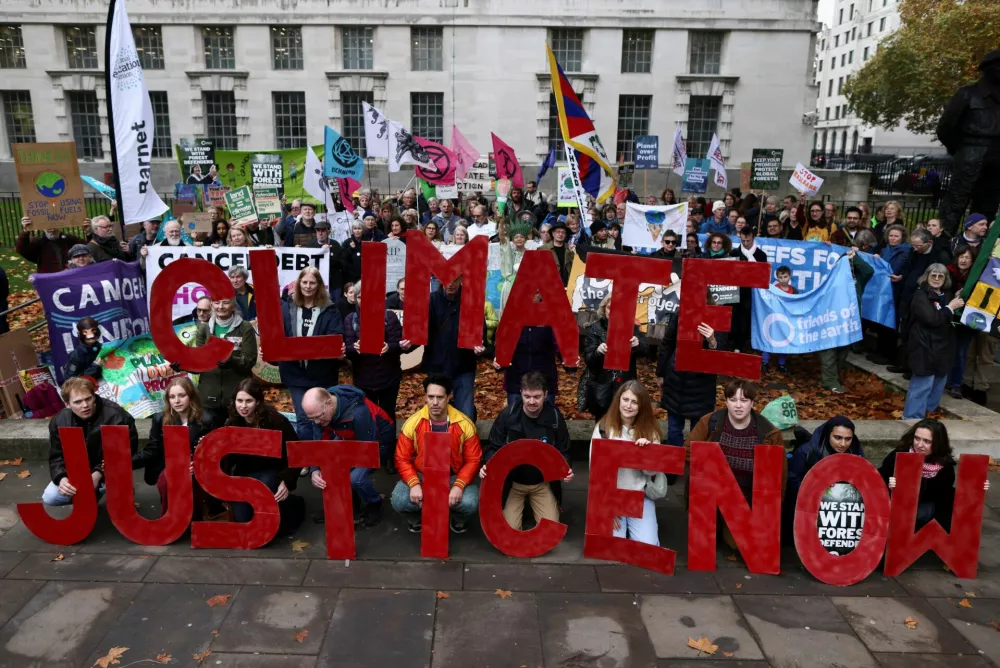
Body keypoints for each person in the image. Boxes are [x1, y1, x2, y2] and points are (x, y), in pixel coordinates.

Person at [684, 380, 785, 542]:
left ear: (752, 403)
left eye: (744, 401)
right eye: (733, 400)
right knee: (704, 539)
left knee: (741, 544)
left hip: (747, 499)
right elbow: (688, 451)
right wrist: (717, 468)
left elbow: (780, 475)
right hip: (713, 494)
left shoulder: (769, 433)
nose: (738, 406)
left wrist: (772, 511)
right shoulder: (710, 422)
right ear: (726, 402)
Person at [482, 372, 572, 531]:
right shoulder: (508, 416)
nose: (532, 401)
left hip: (541, 483)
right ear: (521, 394)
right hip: (514, 483)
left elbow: (563, 449)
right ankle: (519, 506)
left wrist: (566, 467)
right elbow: (494, 447)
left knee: (550, 529)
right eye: (527, 396)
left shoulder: (554, 418)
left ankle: (535, 505)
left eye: (537, 397)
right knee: (509, 530)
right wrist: (488, 464)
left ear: (545, 395)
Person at [392, 374, 482, 534]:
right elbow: (401, 458)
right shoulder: (413, 423)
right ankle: (417, 519)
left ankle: (457, 519)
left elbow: (473, 460)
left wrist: (459, 486)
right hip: (422, 475)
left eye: (440, 397)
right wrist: (414, 484)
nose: (434, 402)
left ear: (449, 397)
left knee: (471, 502)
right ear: (425, 397)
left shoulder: (464, 424)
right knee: (399, 500)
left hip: (452, 476)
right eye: (430, 396)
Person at [301, 385, 391, 525]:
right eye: (312, 419)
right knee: (329, 467)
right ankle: (349, 504)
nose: (317, 422)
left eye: (319, 417)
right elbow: (318, 442)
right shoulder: (320, 410)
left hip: (377, 441)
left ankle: (375, 503)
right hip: (348, 436)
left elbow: (367, 449)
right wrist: (315, 469)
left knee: (356, 479)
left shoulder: (359, 412)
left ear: (329, 403)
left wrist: (343, 465)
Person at [43, 378, 139, 506]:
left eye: (88, 399)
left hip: (109, 470)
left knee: (118, 496)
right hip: (77, 472)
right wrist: (61, 478)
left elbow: (124, 453)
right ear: (67, 404)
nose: (85, 405)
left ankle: (116, 490)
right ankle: (89, 498)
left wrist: (98, 473)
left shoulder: (116, 416)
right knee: (51, 497)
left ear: (94, 396)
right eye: (77, 402)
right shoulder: (60, 421)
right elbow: (56, 456)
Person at [136, 376, 223, 519]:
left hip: (197, 468)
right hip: (170, 466)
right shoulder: (160, 418)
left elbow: (215, 452)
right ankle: (168, 521)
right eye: (172, 397)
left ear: (191, 396)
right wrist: (126, 462)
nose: (177, 401)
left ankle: (193, 520)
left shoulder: (208, 419)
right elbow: (152, 449)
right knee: (166, 480)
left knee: (191, 483)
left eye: (182, 396)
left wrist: (196, 464)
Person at [225, 379, 303, 534]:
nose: (243, 406)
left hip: (271, 472)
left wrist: (286, 480)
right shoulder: (232, 422)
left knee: (274, 526)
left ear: (258, 402)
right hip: (244, 473)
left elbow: (297, 452)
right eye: (239, 401)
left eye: (249, 401)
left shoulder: (276, 421)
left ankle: (294, 504)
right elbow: (227, 459)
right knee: (244, 521)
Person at [879, 419, 988, 530]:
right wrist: (889, 484)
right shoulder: (899, 454)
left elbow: (943, 497)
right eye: (917, 438)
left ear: (937, 443)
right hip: (892, 505)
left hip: (922, 509)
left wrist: (977, 487)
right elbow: (878, 479)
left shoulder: (945, 466)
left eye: (927, 441)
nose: (919, 445)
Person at [590, 381, 663, 545]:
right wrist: (606, 505)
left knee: (648, 548)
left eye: (634, 402)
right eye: (625, 400)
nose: (628, 406)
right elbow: (595, 471)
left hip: (639, 496)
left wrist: (646, 453)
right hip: (611, 496)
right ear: (618, 401)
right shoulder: (604, 429)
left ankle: (637, 526)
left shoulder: (650, 432)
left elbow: (653, 473)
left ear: (641, 406)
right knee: (612, 548)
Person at [279, 267, 344, 440]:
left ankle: (322, 459)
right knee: (303, 419)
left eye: (312, 283)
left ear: (319, 285)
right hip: (295, 373)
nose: (308, 286)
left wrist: (336, 349)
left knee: (322, 419)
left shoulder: (330, 309)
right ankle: (307, 462)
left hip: (322, 373)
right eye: (305, 282)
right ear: (299, 284)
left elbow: (335, 335)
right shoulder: (286, 307)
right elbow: (279, 335)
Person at [903, 264, 963, 419]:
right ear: (926, 276)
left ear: (945, 279)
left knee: (937, 386)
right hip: (924, 347)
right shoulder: (920, 295)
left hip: (943, 349)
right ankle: (912, 419)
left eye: (940, 276)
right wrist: (950, 308)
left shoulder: (946, 294)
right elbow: (932, 319)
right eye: (933, 276)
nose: (936, 279)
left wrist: (955, 300)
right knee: (921, 386)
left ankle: (926, 417)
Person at [425, 278, 489, 421]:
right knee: (436, 410)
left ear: (461, 280)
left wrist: (480, 348)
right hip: (437, 366)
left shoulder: (470, 300)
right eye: (448, 279)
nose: (450, 283)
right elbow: (422, 329)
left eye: (455, 280)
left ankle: (466, 441)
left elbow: (481, 331)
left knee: (465, 411)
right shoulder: (432, 300)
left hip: (463, 365)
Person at [785, 415, 862, 532]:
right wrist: (817, 488)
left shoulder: (856, 453)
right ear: (828, 434)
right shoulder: (806, 452)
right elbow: (792, 481)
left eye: (848, 439)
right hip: (807, 509)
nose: (843, 444)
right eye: (837, 437)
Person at [343, 280, 407, 421]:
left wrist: (389, 347)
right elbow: (346, 350)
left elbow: (399, 345)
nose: (363, 301)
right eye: (359, 297)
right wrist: (354, 348)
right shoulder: (350, 320)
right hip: (363, 379)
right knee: (367, 417)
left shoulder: (389, 317)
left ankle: (388, 443)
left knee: (387, 416)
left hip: (388, 378)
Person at [657, 317, 722, 447]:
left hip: (702, 386)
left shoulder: (716, 316)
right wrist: (660, 373)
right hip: (677, 382)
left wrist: (712, 341)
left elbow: (722, 355)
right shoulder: (681, 314)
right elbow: (668, 343)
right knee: (674, 430)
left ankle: (691, 462)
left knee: (698, 432)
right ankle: (674, 462)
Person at [582, 294, 646, 419]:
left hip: (625, 383)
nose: (612, 312)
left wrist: (637, 345)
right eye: (609, 308)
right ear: (604, 309)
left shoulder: (632, 327)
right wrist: (598, 352)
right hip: (602, 384)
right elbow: (589, 360)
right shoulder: (595, 329)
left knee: (624, 421)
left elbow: (645, 351)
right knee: (602, 421)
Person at [820, 247, 873, 393]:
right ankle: (830, 381)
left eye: (850, 265)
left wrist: (854, 257)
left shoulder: (858, 279)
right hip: (831, 322)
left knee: (842, 353)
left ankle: (834, 377)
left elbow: (869, 271)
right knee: (829, 352)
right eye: (844, 264)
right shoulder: (831, 280)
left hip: (849, 324)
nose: (848, 267)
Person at [192, 295, 257, 412]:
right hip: (208, 397)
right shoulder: (204, 329)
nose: (220, 307)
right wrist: (183, 365)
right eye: (217, 303)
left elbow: (250, 360)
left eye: (225, 302)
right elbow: (199, 362)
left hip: (237, 399)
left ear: (233, 306)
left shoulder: (245, 327)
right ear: (211, 305)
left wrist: (232, 360)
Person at [495, 293, 559, 406]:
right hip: (516, 380)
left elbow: (560, 341)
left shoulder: (551, 315)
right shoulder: (512, 315)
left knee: (545, 419)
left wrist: (569, 358)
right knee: (515, 419)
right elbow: (502, 341)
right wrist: (497, 358)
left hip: (544, 379)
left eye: (537, 292)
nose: (533, 294)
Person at [947, 245, 978, 398]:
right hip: (948, 318)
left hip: (966, 321)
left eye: (967, 258)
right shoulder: (948, 272)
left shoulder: (976, 278)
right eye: (961, 257)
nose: (964, 260)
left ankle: (955, 384)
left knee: (961, 352)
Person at [730, 226, 767, 352]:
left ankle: (746, 344)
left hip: (752, 293)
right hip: (735, 291)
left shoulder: (761, 255)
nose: (746, 243)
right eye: (743, 241)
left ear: (753, 238)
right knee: (735, 318)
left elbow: (763, 276)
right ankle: (735, 344)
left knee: (748, 319)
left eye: (748, 241)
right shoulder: (734, 253)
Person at [16, 216, 86, 273]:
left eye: (54, 226)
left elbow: (88, 248)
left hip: (69, 277)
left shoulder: (69, 239)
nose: (52, 229)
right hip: (49, 280)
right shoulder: (38, 242)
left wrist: (89, 232)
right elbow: (22, 250)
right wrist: (26, 231)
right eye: (48, 226)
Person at [761, 266, 797, 373]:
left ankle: (781, 364)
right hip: (773, 320)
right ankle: (765, 362)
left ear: (789, 277)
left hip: (786, 321)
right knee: (768, 339)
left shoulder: (794, 291)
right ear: (777, 278)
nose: (783, 279)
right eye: (780, 277)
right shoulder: (773, 290)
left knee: (784, 341)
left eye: (785, 277)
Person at [62, 316, 103, 381]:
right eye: (85, 332)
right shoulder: (76, 356)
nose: (91, 335)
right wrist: (94, 367)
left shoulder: (100, 347)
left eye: (93, 330)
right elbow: (70, 379)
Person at [541, 218, 575, 286]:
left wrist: (572, 253)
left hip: (567, 285)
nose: (560, 234)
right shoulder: (543, 249)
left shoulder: (570, 248)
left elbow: (575, 266)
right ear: (553, 234)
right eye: (558, 232)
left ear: (566, 235)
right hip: (551, 286)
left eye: (563, 232)